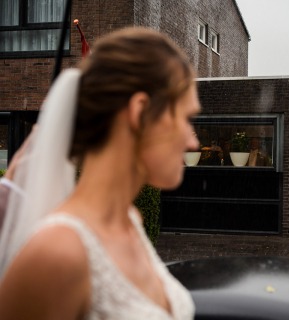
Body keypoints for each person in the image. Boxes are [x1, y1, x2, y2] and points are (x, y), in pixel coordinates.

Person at [0, 27, 199, 319]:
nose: (193, 141)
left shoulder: (131, 222)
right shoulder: (57, 255)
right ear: (140, 111)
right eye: (186, 117)